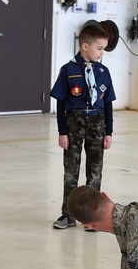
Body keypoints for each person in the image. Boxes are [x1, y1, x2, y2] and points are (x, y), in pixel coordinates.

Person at [50, 22, 116, 230]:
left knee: (95, 171)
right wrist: (62, 132)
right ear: (85, 46)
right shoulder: (68, 70)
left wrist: (109, 132)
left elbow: (108, 104)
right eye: (100, 48)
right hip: (74, 122)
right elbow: (60, 104)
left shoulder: (103, 71)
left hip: (97, 122)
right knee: (71, 171)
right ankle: (67, 215)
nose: (102, 53)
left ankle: (92, 217)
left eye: (104, 49)